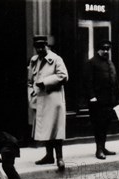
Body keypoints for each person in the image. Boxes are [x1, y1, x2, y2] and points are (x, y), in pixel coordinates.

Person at [28, 35, 69, 170]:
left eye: (42, 46)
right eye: (37, 47)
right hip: (40, 99)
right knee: (46, 128)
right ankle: (48, 155)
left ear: (47, 45)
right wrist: (31, 93)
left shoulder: (56, 59)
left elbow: (63, 76)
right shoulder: (34, 60)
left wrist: (45, 82)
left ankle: (59, 158)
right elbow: (30, 80)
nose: (39, 49)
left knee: (56, 128)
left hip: (53, 99)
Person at [83, 39, 119, 160]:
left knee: (105, 124)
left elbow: (115, 82)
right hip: (97, 101)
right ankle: (99, 150)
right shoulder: (91, 63)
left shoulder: (110, 63)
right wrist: (92, 97)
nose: (105, 51)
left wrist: (118, 98)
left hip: (109, 101)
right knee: (98, 125)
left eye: (107, 49)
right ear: (98, 50)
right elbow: (87, 82)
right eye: (103, 49)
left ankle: (103, 147)